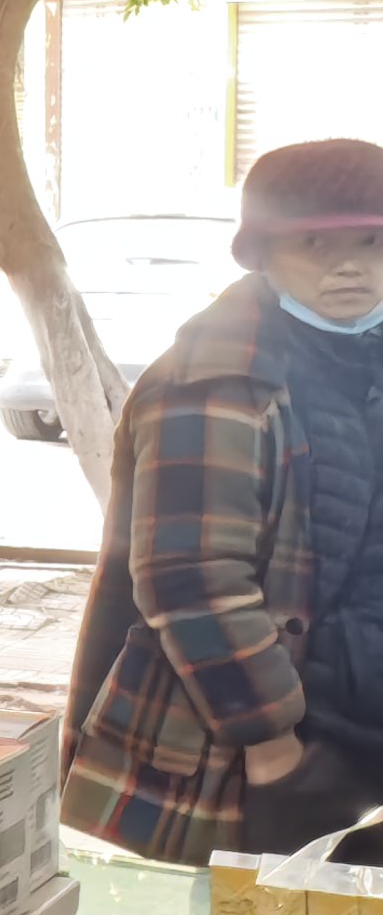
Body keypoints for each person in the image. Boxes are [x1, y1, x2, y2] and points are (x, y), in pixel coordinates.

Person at [68, 137, 383, 865]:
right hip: (268, 747)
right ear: (263, 253)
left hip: (367, 715)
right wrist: (272, 746)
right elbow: (191, 577)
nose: (349, 266)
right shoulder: (214, 382)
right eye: (316, 243)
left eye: (372, 241)